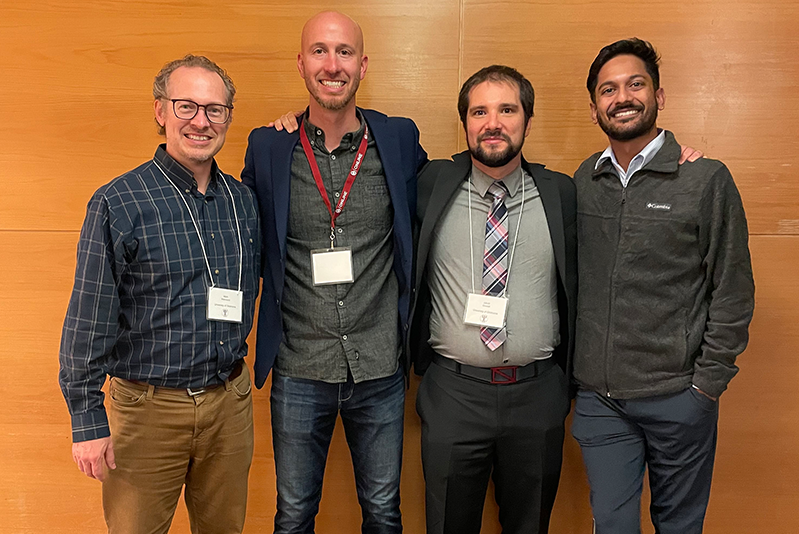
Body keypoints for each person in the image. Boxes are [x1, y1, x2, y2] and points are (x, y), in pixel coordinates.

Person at [241, 11, 427, 534]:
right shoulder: (268, 146)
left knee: (384, 513)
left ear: (363, 65)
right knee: (294, 514)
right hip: (300, 366)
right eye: (319, 51)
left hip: (380, 367)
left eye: (344, 52)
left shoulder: (397, 139)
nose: (332, 64)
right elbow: (243, 231)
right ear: (300, 63)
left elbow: (444, 191)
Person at [58, 54, 261, 534]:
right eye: (187, 106)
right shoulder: (119, 201)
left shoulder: (242, 201)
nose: (201, 121)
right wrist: (86, 417)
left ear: (228, 118)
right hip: (148, 411)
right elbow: (89, 316)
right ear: (160, 111)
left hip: (228, 405)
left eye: (215, 110)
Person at [570, 38, 755, 534]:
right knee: (611, 524)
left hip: (679, 397)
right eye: (608, 90)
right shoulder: (583, 181)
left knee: (678, 526)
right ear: (594, 109)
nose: (622, 97)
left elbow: (732, 289)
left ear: (659, 95)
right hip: (601, 401)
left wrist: (705, 386)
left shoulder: (704, 179)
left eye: (635, 84)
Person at [408, 65, 576, 534]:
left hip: (537, 395)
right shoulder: (430, 184)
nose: (493, 122)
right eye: (479, 111)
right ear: (464, 122)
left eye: (507, 109)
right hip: (453, 394)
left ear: (527, 118)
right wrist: (301, 119)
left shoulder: (560, 192)